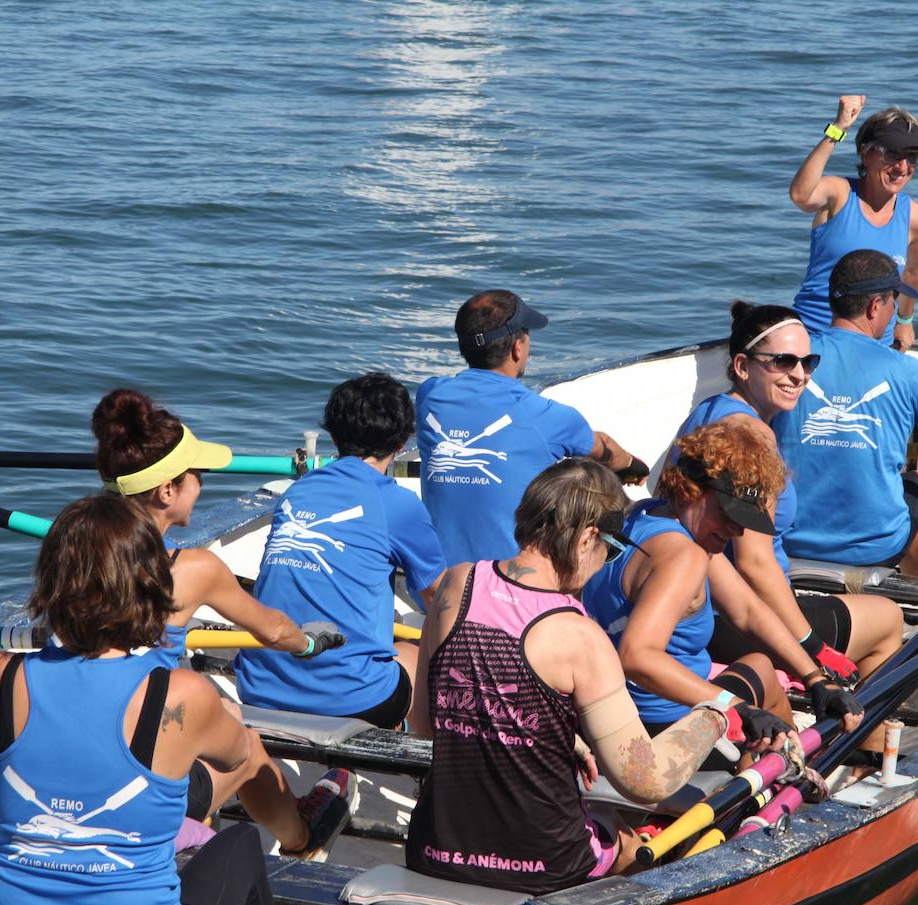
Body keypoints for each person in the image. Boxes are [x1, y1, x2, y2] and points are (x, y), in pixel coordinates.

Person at [407, 458, 730, 894]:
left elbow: (427, 725)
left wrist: (563, 737)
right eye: (611, 549)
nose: (604, 563)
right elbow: (643, 780)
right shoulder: (581, 636)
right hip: (544, 864)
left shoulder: (456, 585)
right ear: (585, 540)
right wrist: (716, 713)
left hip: (434, 849)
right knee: (633, 839)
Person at [0, 494, 275, 905]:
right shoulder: (179, 693)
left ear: (51, 580)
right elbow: (238, 755)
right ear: (151, 584)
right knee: (242, 843)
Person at [93, 389, 354, 859]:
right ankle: (302, 839)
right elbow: (273, 630)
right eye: (197, 473)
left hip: (83, 759)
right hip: (141, 791)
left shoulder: (75, 559)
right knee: (244, 742)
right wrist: (309, 644)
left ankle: (205, 826)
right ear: (166, 490)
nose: (203, 482)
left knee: (209, 716)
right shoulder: (193, 568)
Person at [581, 419, 864, 745]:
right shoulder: (683, 557)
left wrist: (815, 679)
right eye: (728, 515)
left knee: (758, 664)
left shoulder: (648, 516)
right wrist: (735, 707)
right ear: (693, 490)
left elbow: (746, 610)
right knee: (763, 678)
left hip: (608, 717)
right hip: (663, 728)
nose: (737, 530)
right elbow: (636, 656)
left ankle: (775, 762)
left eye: (745, 520)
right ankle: (792, 772)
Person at [671, 301, 902, 683]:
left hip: (700, 608)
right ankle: (864, 737)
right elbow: (754, 564)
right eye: (782, 362)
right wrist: (810, 644)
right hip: (739, 620)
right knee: (888, 618)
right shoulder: (754, 438)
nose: (800, 375)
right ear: (743, 367)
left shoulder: (708, 412)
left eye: (807, 362)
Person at [234, 372, 446, 728]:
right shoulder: (396, 503)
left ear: (333, 434)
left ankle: (340, 770)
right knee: (420, 652)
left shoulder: (295, 494)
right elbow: (440, 596)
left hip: (257, 687)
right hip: (354, 700)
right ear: (401, 440)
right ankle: (424, 765)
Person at [772, 249, 918, 577]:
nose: (895, 311)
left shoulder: (787, 362)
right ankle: (917, 584)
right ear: (875, 307)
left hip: (786, 538)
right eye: (894, 302)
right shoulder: (911, 373)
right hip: (877, 545)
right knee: (916, 483)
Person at [416, 289, 647, 566]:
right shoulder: (546, 416)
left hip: (436, 584)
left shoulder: (430, 396)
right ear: (517, 348)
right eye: (526, 334)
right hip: (508, 585)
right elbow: (602, 447)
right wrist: (631, 465)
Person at [789, 95, 918, 351]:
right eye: (892, 154)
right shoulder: (840, 194)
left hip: (876, 346)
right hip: (814, 339)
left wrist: (905, 320)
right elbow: (800, 195)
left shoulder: (915, 217)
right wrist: (839, 128)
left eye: (911, 157)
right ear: (866, 154)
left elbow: (912, 273)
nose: (901, 167)